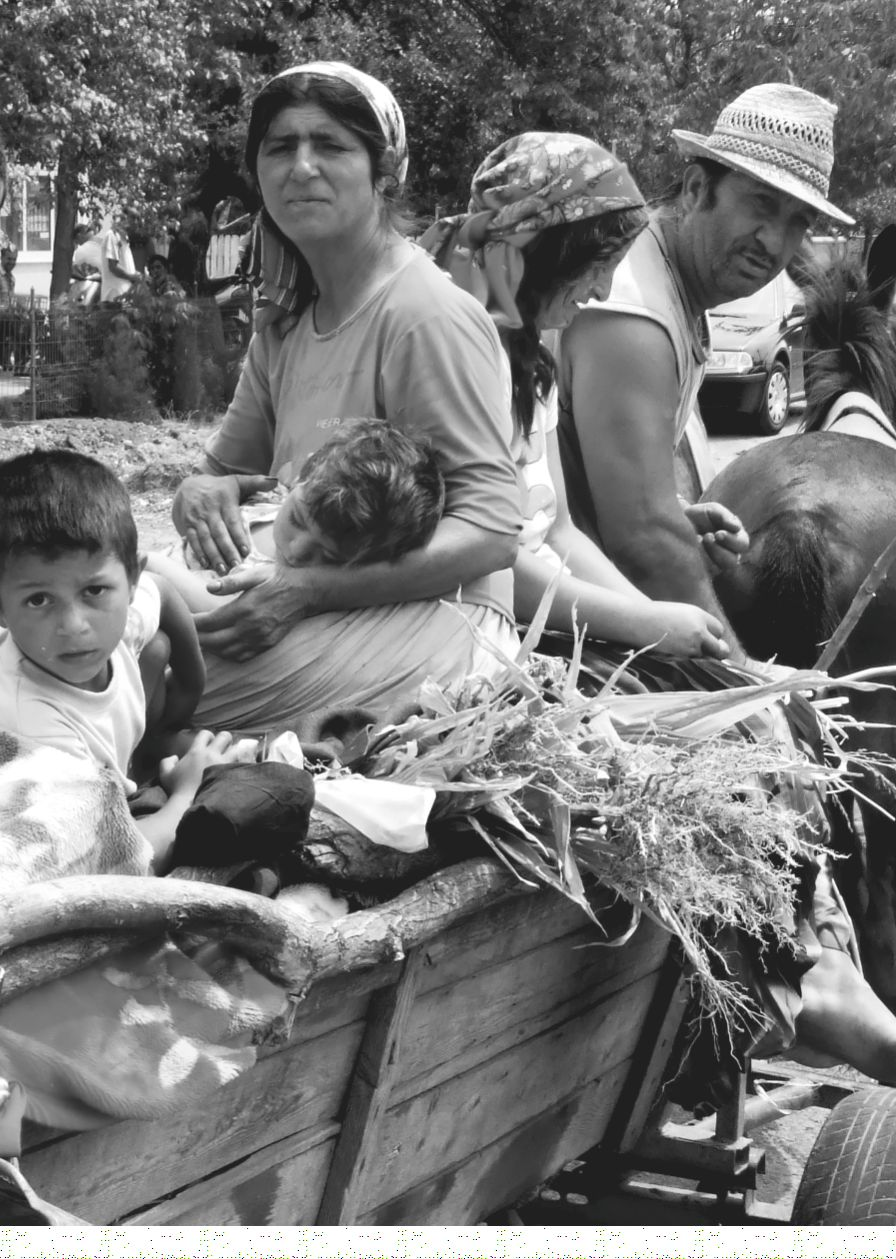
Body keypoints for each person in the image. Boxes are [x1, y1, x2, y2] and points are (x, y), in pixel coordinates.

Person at [171, 61, 521, 733]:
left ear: (384, 173)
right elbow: (218, 478)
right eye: (280, 146)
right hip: (319, 606)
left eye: (330, 145)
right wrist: (197, 495)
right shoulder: (288, 327)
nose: (301, 166)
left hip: (440, 632)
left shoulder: (423, 314)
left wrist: (303, 593)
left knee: (118, 666)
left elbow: (491, 533)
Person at [556, 84, 855, 653]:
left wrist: (677, 517)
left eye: (797, 220)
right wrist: (744, 682)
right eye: (761, 205)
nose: (775, 242)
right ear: (696, 188)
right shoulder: (633, 306)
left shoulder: (672, 291)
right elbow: (641, 540)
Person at [422, 132, 729, 660]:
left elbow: (556, 530)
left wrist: (664, 628)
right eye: (600, 265)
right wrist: (646, 623)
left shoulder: (530, 360)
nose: (605, 290)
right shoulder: (448, 351)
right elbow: (490, 560)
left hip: (557, 616)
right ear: (552, 252)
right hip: (492, 632)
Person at [0, 450, 235, 874]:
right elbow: (126, 858)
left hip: (113, 763)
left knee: (157, 645)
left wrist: (189, 687)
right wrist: (188, 788)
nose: (73, 625)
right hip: (74, 798)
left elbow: (162, 592)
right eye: (38, 600)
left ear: (130, 580)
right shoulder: (30, 719)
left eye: (94, 591)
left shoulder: (126, 609)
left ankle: (146, 751)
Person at [151, 417, 446, 613]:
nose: (297, 550)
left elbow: (217, 609)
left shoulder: (281, 585)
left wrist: (146, 564)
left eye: (328, 556)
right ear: (297, 481)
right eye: (296, 519)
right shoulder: (268, 500)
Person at [98, 211, 142, 302]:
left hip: (124, 294)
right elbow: (113, 267)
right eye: (133, 218)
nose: (136, 222)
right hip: (115, 293)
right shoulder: (113, 235)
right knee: (117, 315)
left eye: (138, 219)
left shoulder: (124, 239)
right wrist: (132, 276)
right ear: (123, 220)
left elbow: (123, 266)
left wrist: (135, 273)